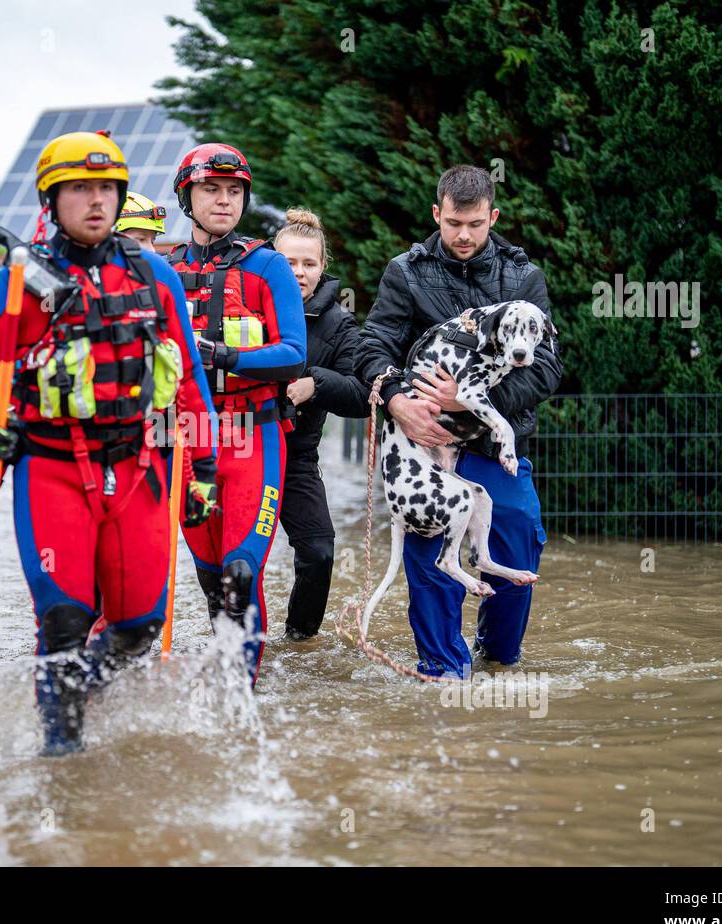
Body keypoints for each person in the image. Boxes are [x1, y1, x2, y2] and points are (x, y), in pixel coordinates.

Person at [0, 130, 220, 755]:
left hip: (140, 467)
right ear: (52, 198)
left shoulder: (154, 277)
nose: (95, 201)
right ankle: (61, 755)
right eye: (79, 189)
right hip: (52, 470)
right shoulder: (16, 285)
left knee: (139, 628)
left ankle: (78, 689)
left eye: (105, 189)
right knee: (65, 620)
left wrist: (200, 468)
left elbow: (190, 385)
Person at [354, 164, 562, 680]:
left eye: (474, 224)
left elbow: (549, 366)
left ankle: (497, 658)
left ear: (493, 216)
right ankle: (445, 673)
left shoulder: (523, 277)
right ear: (436, 215)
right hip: (421, 439)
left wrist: (468, 402)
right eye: (452, 224)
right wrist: (398, 398)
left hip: (492, 441)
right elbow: (373, 344)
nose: (463, 235)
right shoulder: (405, 272)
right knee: (429, 560)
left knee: (517, 540)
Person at [166, 143, 307, 686]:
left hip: (253, 436)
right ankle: (223, 681)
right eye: (210, 190)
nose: (224, 200)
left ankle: (246, 696)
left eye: (233, 191)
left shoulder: (268, 265)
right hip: (184, 438)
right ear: (188, 196)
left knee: (240, 572)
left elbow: (294, 354)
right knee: (210, 578)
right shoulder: (162, 269)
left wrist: (221, 356)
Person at [272, 208, 371, 641]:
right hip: (243, 450)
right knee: (235, 559)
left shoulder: (339, 322)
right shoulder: (250, 306)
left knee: (319, 552)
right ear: (273, 263)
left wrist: (316, 383)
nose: (298, 273)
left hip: (296, 458)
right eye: (289, 263)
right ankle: (235, 639)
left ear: (323, 267)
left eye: (309, 263)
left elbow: (360, 394)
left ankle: (299, 640)